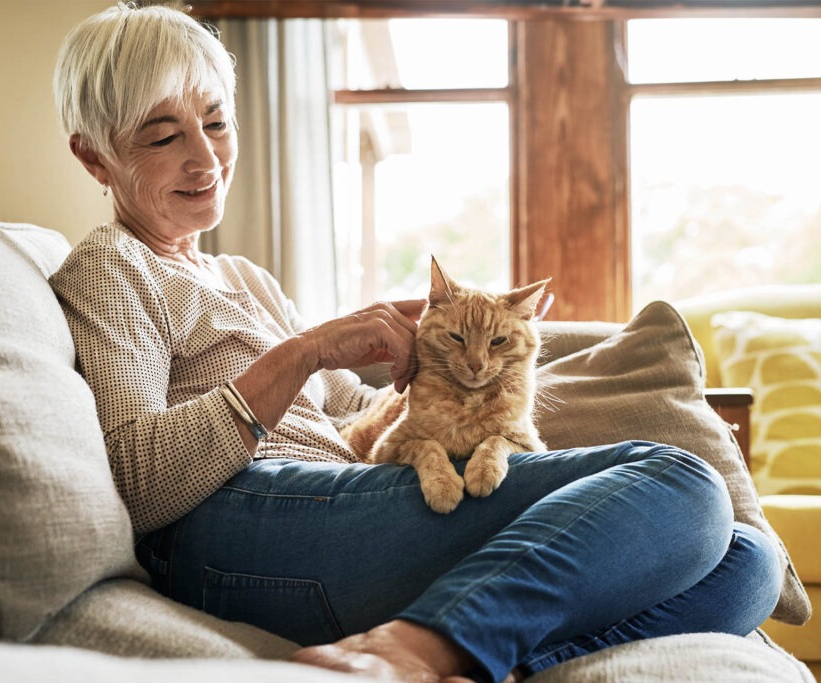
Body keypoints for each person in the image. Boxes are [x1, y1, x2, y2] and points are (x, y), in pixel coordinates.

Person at [48, 4, 781, 682]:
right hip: (239, 529)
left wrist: (430, 363)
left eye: (215, 122)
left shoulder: (242, 276)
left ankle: (481, 648)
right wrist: (305, 349)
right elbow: (137, 483)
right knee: (680, 482)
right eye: (164, 136)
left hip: (347, 501)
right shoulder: (113, 266)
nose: (205, 157)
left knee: (749, 560)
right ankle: (415, 647)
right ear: (94, 158)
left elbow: (355, 411)